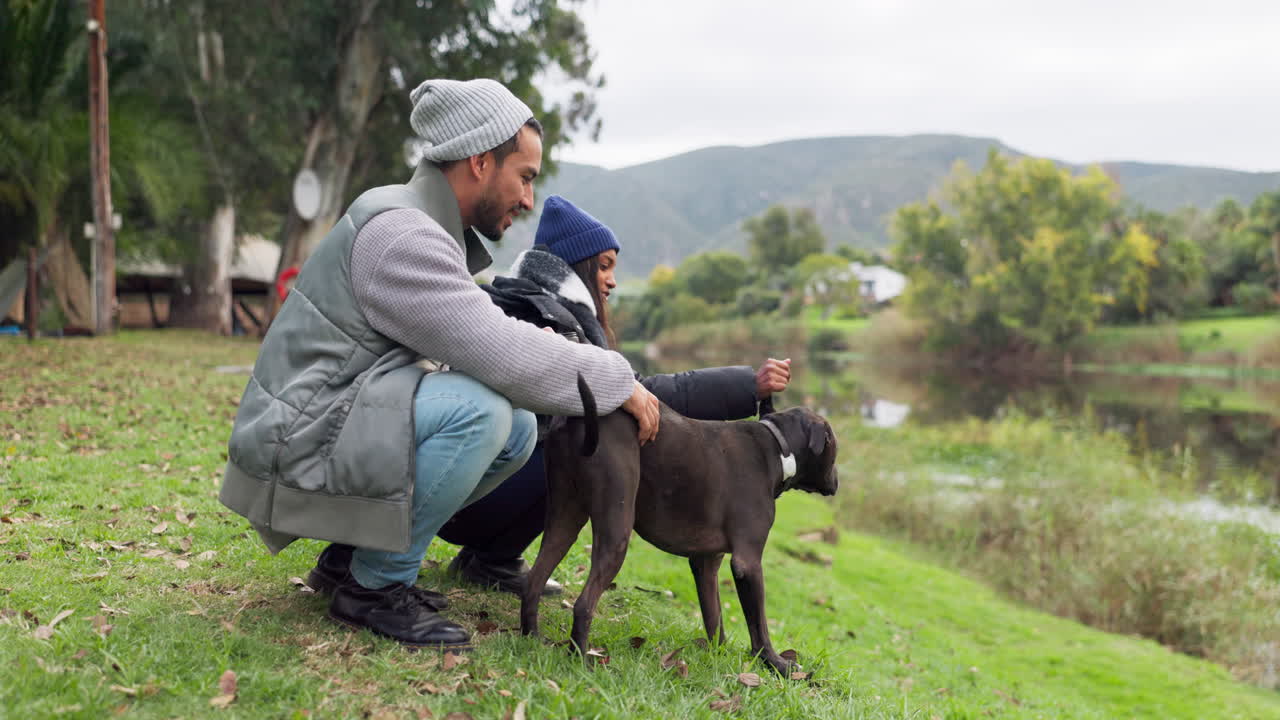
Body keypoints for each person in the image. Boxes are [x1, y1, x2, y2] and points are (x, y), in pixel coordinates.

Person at [219, 80, 661, 652]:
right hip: (298, 440)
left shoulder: (413, 223)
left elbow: (482, 336)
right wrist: (614, 380)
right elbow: (498, 349)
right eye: (524, 176)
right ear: (480, 161)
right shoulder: (401, 236)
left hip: (323, 423)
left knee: (519, 428)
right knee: (481, 413)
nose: (529, 200)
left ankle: (351, 558)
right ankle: (375, 589)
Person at [439, 195, 792, 594]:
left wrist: (745, 387)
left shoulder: (546, 308)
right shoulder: (540, 316)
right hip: (460, 498)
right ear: (576, 267)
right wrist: (747, 386)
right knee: (582, 452)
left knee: (578, 441)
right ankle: (491, 559)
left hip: (468, 491)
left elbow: (639, 389)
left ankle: (488, 558)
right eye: (603, 266)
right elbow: (640, 393)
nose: (612, 280)